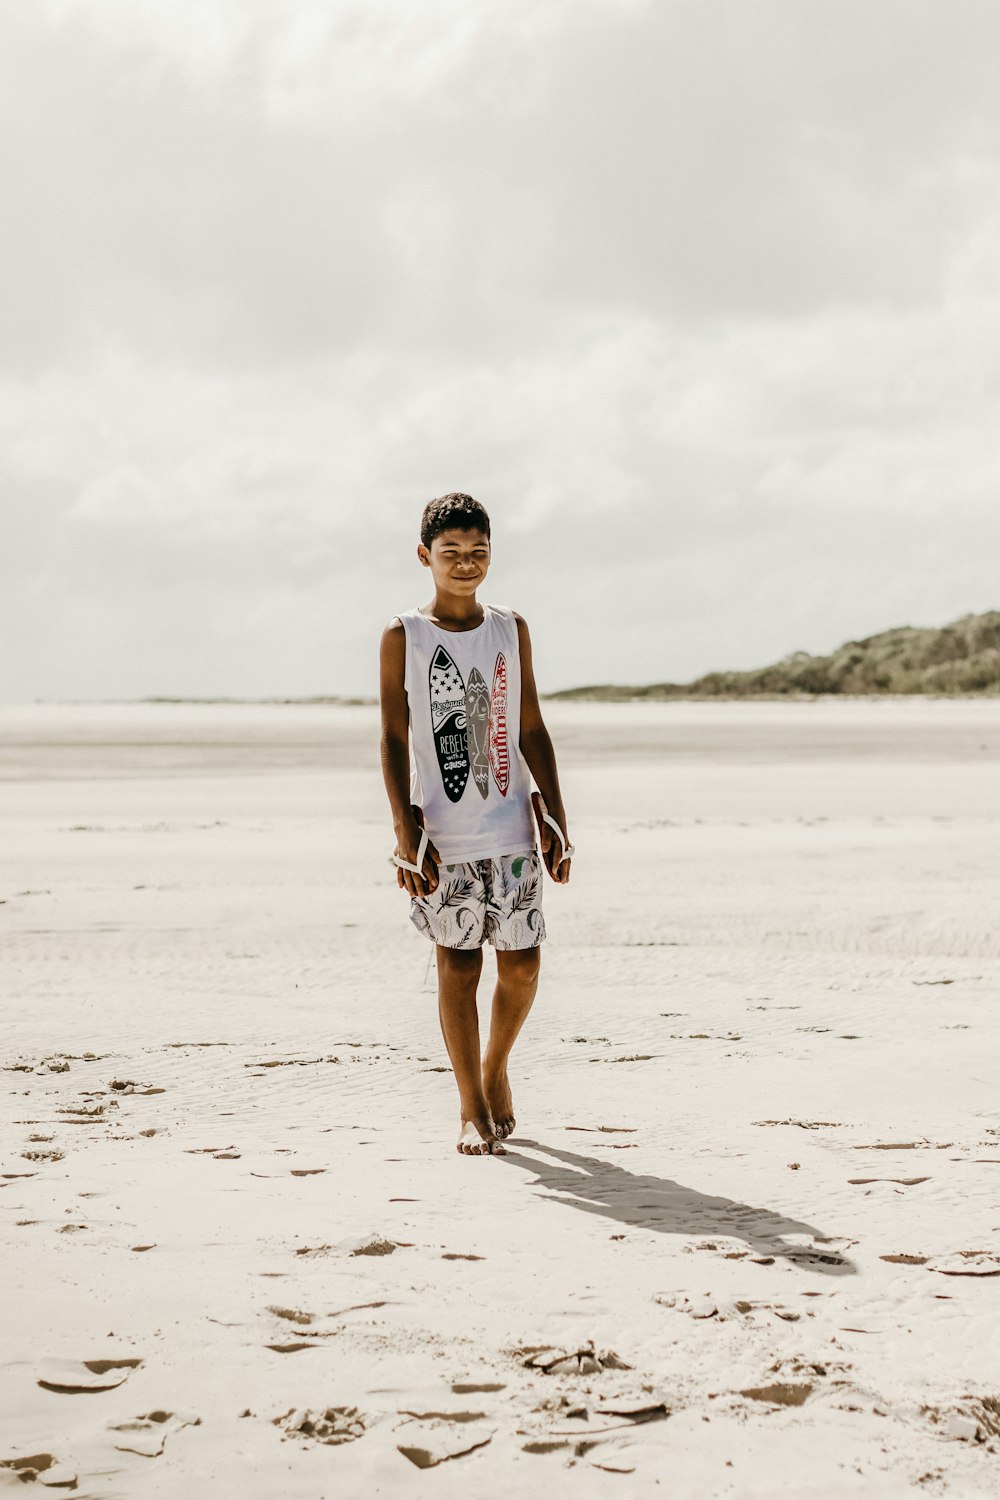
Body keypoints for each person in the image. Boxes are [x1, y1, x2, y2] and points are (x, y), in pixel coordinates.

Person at [379, 493, 573, 1157]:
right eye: (452, 553)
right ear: (425, 556)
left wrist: (557, 818)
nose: (466, 565)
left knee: (521, 967)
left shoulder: (509, 629)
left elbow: (530, 728)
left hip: (514, 829)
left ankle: (496, 1068)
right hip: (446, 834)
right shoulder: (405, 635)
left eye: (478, 552)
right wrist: (406, 831)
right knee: (458, 969)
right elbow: (393, 739)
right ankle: (469, 1107)